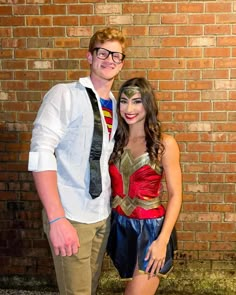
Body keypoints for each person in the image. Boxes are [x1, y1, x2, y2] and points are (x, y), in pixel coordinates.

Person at [28, 27, 126, 295]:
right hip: (69, 215)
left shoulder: (118, 106)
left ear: (122, 63)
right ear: (89, 57)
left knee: (90, 288)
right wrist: (57, 218)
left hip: (101, 216)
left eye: (116, 55)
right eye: (102, 52)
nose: (109, 59)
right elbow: (40, 152)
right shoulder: (65, 94)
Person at [107, 77, 182, 295]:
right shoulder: (115, 141)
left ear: (148, 104)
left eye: (137, 101)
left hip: (150, 231)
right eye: (123, 101)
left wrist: (162, 240)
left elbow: (176, 195)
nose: (129, 108)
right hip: (120, 227)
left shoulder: (164, 143)